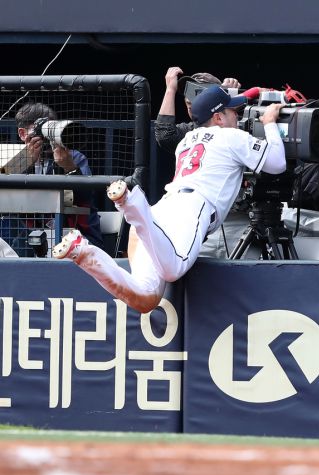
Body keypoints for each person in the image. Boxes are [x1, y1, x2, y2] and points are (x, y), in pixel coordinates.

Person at [51, 86, 286, 313]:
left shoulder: (187, 139)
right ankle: (132, 206)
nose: (238, 116)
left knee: (146, 298)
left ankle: (82, 253)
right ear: (218, 117)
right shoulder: (231, 136)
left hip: (161, 212)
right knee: (172, 270)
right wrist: (270, 124)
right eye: (232, 111)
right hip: (192, 209)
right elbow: (277, 164)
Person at [1, 103, 103, 256]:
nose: (45, 138)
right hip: (24, 238)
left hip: (70, 233)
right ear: (22, 134)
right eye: (39, 131)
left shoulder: (74, 157)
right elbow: (6, 199)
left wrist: (69, 168)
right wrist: (26, 163)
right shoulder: (12, 159)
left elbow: (85, 198)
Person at [154, 67, 242, 154]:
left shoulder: (238, 126)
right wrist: (170, 90)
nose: (190, 98)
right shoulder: (191, 132)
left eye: (199, 91)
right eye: (188, 90)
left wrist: (228, 101)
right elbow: (165, 135)